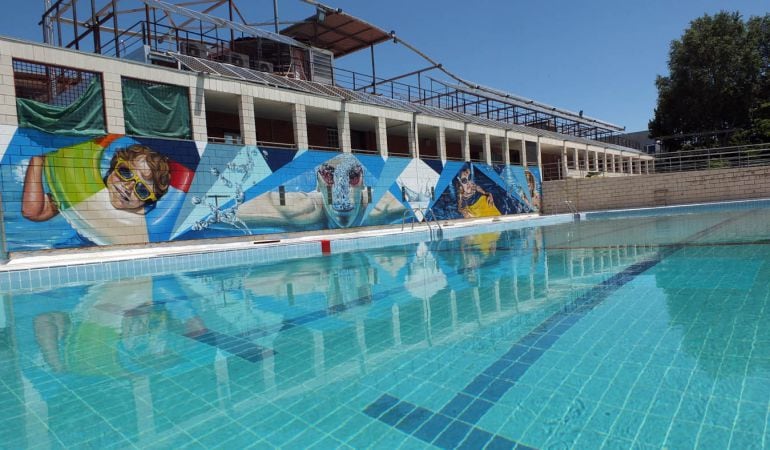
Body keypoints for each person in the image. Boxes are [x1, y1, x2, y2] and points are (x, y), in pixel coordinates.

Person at [21, 139, 171, 245]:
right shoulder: (88, 194)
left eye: (142, 190)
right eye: (125, 172)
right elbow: (34, 212)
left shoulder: (147, 223)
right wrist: (38, 160)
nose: (128, 187)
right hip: (76, 248)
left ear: (148, 200)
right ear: (114, 166)